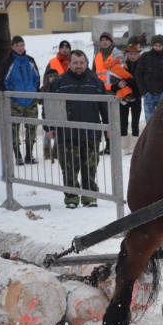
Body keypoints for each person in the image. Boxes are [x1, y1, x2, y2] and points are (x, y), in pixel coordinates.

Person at [43, 50, 109, 209]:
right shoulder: (58, 83)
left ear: (86, 64)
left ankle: (89, 196)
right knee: (69, 167)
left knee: (90, 166)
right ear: (69, 64)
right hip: (67, 134)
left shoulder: (96, 82)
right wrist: (49, 127)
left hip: (91, 133)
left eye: (81, 63)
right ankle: (71, 197)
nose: (78, 66)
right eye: (75, 63)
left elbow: (105, 107)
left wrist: (108, 126)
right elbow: (49, 107)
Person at [0, 35, 40, 165]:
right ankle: (18, 156)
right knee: (14, 129)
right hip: (16, 102)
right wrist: (12, 96)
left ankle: (29, 155)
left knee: (31, 128)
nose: (20, 48)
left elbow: (37, 77)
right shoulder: (7, 63)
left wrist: (34, 91)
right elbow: (2, 82)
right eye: (17, 45)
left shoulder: (30, 60)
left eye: (22, 45)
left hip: (31, 101)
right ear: (12, 47)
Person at [41, 40, 72, 160]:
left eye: (67, 47)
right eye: (62, 47)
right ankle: (47, 151)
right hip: (52, 97)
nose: (64, 49)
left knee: (63, 125)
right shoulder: (52, 62)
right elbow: (45, 78)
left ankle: (59, 148)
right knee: (49, 125)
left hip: (66, 96)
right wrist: (46, 92)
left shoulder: (73, 61)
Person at [135, 34, 163, 123]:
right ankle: (150, 136)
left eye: (160, 45)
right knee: (149, 120)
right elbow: (138, 74)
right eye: (156, 45)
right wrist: (144, 91)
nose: (158, 47)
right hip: (148, 94)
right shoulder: (145, 57)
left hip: (162, 93)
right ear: (152, 45)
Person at [111, 44, 142, 155]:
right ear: (127, 55)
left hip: (136, 97)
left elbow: (139, 83)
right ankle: (124, 146)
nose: (133, 56)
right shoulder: (121, 66)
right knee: (123, 121)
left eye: (135, 54)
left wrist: (131, 83)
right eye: (131, 54)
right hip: (123, 97)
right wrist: (118, 85)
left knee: (135, 122)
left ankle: (135, 145)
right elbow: (113, 82)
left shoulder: (141, 66)